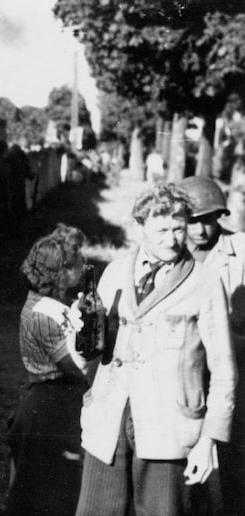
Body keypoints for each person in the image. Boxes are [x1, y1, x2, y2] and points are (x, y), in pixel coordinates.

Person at [75, 183, 237, 516]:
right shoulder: (115, 273)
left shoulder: (205, 282)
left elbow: (223, 368)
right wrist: (83, 332)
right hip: (109, 423)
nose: (172, 239)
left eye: (179, 228)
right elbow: (90, 352)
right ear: (140, 226)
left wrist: (208, 441)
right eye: (161, 229)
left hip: (170, 430)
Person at [6, 224, 94, 515]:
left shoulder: (56, 305)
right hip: (49, 408)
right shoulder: (42, 313)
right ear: (60, 272)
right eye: (77, 261)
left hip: (59, 403)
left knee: (60, 490)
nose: (84, 264)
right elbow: (77, 368)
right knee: (44, 493)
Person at [180, 175, 245, 514]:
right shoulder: (172, 255)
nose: (202, 230)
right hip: (187, 376)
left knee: (237, 463)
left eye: (210, 220)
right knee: (189, 462)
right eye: (193, 221)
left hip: (237, 372)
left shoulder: (241, 252)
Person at [4, 140, 36, 226]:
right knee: (19, 209)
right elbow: (30, 176)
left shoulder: (7, 160)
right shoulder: (22, 160)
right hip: (18, 188)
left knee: (11, 208)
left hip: (9, 188)